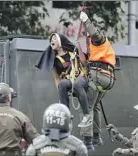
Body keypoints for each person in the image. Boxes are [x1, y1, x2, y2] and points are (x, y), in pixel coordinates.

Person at [77, 11, 117, 150]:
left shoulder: (100, 40)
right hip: (106, 79)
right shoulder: (98, 49)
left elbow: (94, 34)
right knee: (95, 107)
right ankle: (96, 137)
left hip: (99, 76)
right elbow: (85, 62)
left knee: (86, 106)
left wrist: (86, 21)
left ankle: (87, 141)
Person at [36, 33, 92, 128]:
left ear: (61, 41)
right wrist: (61, 93)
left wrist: (78, 48)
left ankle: (87, 115)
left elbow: (83, 62)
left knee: (77, 84)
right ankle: (66, 115)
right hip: (69, 82)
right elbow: (57, 78)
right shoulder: (54, 61)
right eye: (51, 40)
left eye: (54, 39)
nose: (52, 41)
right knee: (62, 84)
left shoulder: (72, 52)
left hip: (80, 78)